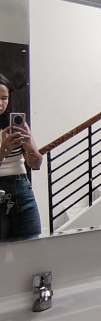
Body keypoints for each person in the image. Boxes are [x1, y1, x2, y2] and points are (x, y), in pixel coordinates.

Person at [0, 73, 42, 241]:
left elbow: (36, 164)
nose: (0, 104)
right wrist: (3, 151)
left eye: (4, 98)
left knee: (31, 245)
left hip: (21, 189)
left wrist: (28, 144)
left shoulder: (16, 124)